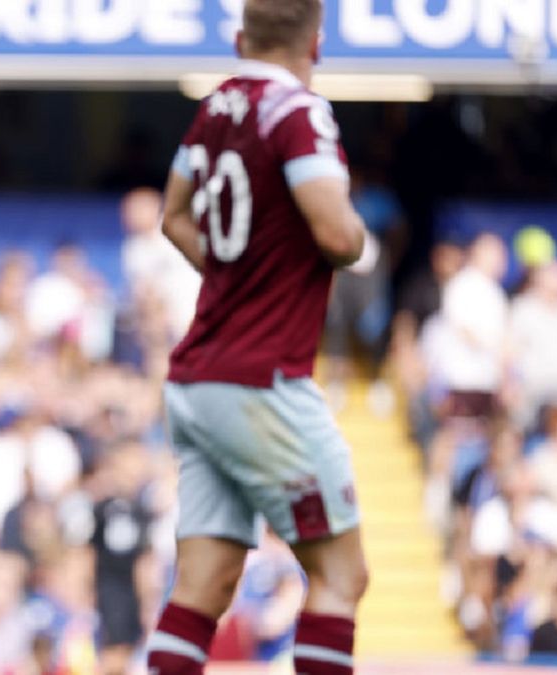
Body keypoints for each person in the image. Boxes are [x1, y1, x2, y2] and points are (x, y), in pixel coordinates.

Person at [145, 1, 371, 674]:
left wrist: (233, 271)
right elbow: (335, 234)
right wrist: (365, 240)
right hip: (262, 384)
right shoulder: (299, 112)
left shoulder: (215, 108)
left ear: (241, 38)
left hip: (199, 379)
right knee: (340, 574)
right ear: (317, 44)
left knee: (203, 584)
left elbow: (173, 216)